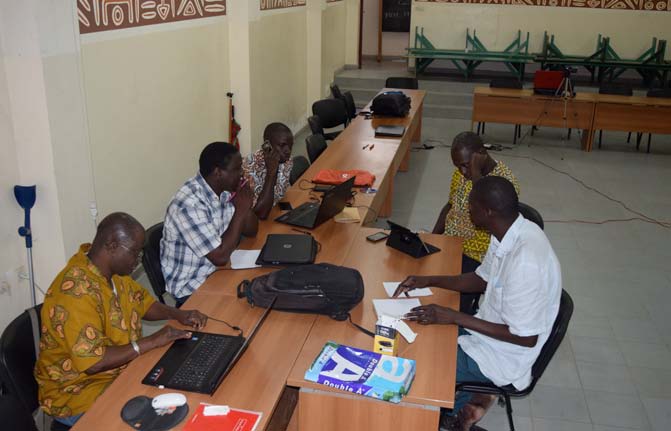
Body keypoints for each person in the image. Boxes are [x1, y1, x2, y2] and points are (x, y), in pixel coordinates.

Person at [395, 177, 561, 431]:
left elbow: (526, 338)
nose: (467, 210)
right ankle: (459, 407)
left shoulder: (526, 262)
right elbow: (481, 279)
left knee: (420, 366)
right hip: (486, 330)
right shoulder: (506, 232)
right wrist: (429, 279)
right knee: (421, 334)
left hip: (503, 355)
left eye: (471, 206)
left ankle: (435, 417)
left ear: (487, 211)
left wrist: (453, 316)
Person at [34, 213, 208, 427]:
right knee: (163, 417)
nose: (139, 259)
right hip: (79, 392)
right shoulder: (74, 293)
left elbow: (144, 304)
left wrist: (177, 314)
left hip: (120, 372)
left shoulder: (114, 275)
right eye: (135, 252)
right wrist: (151, 341)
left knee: (182, 385)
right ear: (112, 246)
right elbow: (94, 363)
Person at [161, 142, 258, 306]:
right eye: (237, 169)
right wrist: (241, 211)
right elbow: (219, 257)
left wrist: (245, 205)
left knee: (263, 288)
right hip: (192, 288)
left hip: (219, 269)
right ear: (218, 172)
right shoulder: (188, 204)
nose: (242, 173)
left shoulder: (223, 190)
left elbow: (252, 231)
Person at [432, 132, 519, 313]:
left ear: (481, 153)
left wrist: (477, 174)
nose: (463, 172)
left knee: (447, 302)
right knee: (422, 274)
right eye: (458, 166)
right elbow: (450, 206)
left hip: (477, 256)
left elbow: (491, 221)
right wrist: (432, 238)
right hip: (451, 244)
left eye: (465, 165)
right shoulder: (461, 174)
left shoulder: (504, 183)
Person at [243, 122, 294, 220]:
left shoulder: (287, 160)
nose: (288, 150)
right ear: (267, 145)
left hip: (276, 211)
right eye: (282, 145)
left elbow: (281, 194)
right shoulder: (249, 168)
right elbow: (259, 214)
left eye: (290, 145)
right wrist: (271, 172)